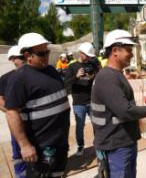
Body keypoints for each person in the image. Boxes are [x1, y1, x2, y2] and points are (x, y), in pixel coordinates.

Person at [91, 29, 146, 178]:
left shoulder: (114, 74)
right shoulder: (108, 77)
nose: (132, 54)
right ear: (115, 51)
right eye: (128, 50)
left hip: (121, 142)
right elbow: (124, 111)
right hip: (117, 146)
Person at [5, 32, 70, 177]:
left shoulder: (51, 71)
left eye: (47, 51)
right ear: (28, 55)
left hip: (60, 144)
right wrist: (25, 145)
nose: (47, 56)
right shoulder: (19, 78)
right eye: (42, 53)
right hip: (41, 147)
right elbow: (11, 113)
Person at [64, 42, 99, 156]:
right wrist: (76, 76)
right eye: (87, 55)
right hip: (79, 103)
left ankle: (98, 143)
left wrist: (94, 75)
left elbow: (98, 77)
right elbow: (65, 84)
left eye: (90, 56)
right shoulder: (72, 67)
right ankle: (80, 146)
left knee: (97, 124)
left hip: (92, 101)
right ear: (80, 53)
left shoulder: (92, 64)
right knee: (80, 126)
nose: (88, 58)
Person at [0, 46, 26, 177]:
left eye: (24, 57)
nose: (24, 60)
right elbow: (0, 100)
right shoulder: (6, 78)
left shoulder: (33, 75)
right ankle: (20, 173)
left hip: (35, 121)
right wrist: (15, 113)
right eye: (20, 58)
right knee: (18, 148)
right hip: (17, 122)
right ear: (12, 59)